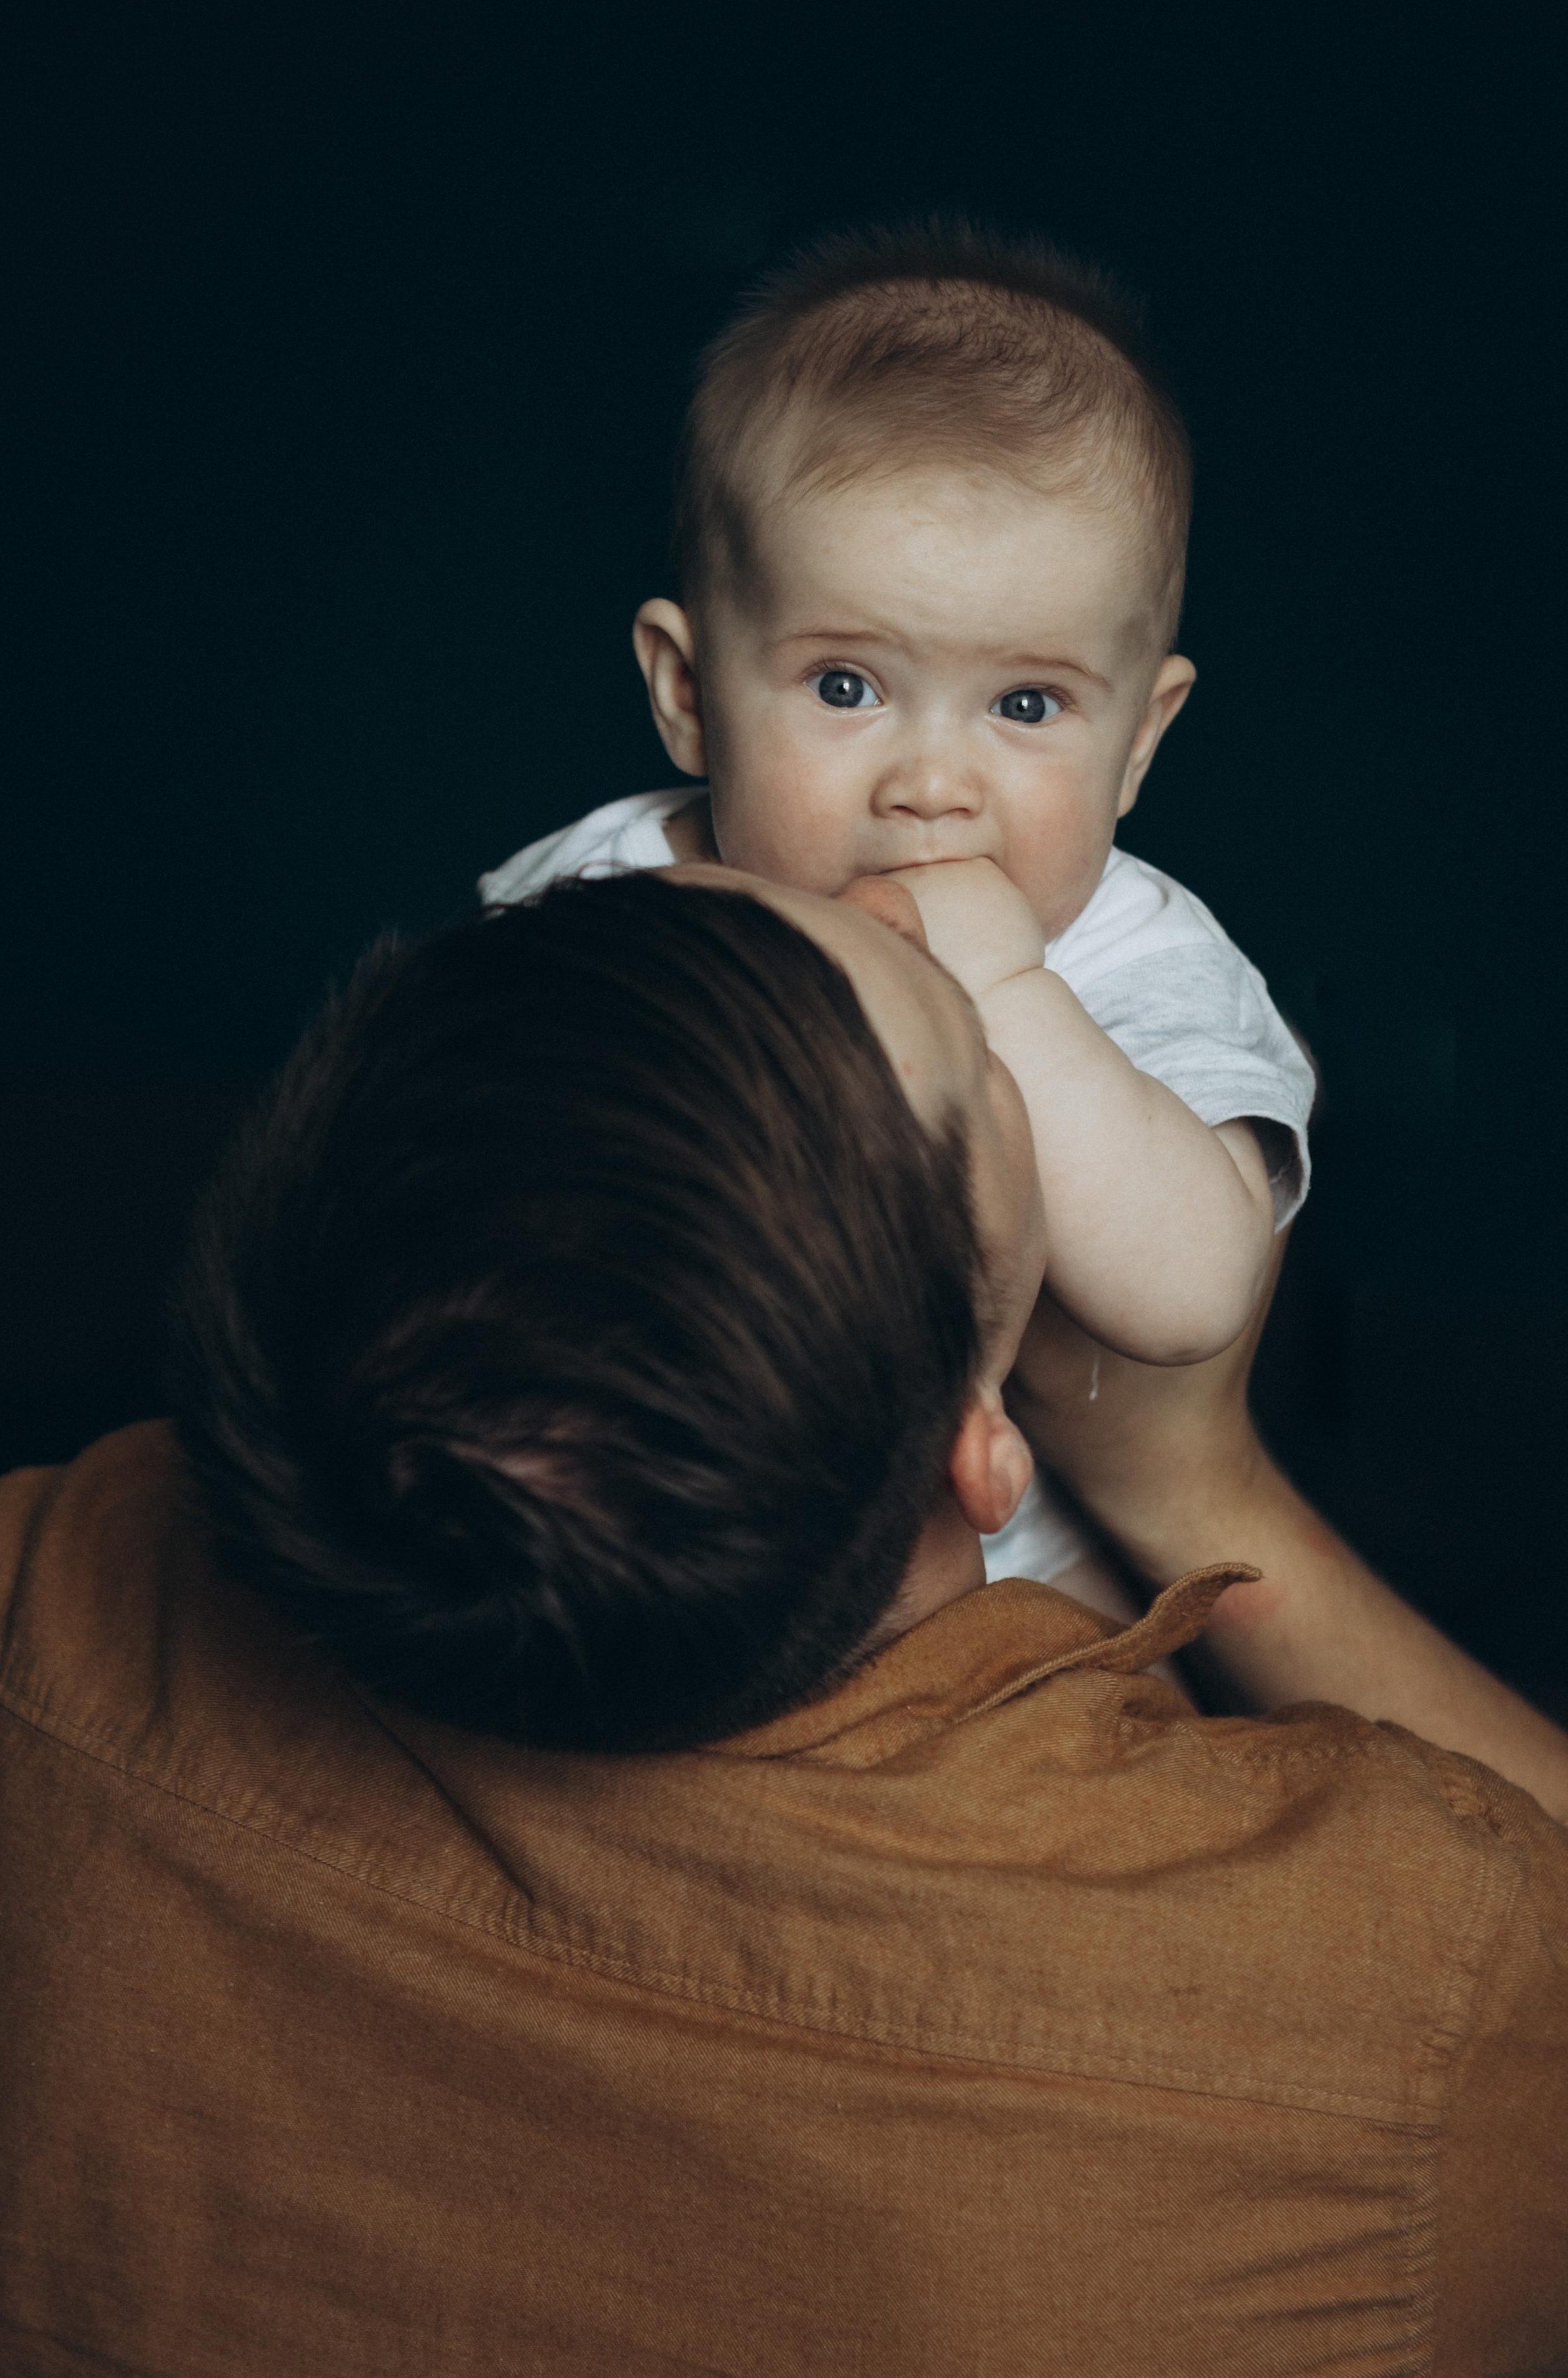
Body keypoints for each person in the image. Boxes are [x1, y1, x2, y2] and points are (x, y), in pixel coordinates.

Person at [0, 866, 1565, 2376]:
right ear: (980, 1457)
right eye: (981, 1056)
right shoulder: (1389, 2000)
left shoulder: (18, 1604)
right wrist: (1204, 1489)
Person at [481, 219, 1317, 1619]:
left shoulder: (1129, 957)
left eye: (1025, 706)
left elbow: (1188, 1298)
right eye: (845, 687)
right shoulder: (595, 886)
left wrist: (998, 987)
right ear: (688, 689)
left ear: (1138, 741)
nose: (931, 786)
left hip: (1014, 1601)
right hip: (658, 1550)